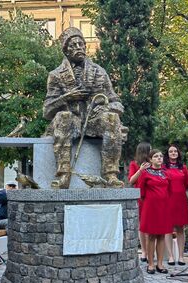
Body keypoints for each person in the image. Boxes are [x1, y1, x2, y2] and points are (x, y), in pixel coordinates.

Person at [43, 27, 127, 189]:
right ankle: (63, 175)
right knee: (63, 117)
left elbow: (117, 103)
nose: (79, 48)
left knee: (112, 118)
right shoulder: (56, 75)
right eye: (73, 45)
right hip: (70, 122)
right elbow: (47, 111)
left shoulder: (99, 72)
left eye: (81, 44)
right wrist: (67, 97)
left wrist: (105, 106)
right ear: (66, 51)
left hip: (93, 121)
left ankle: (110, 174)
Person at [137, 149, 172, 274]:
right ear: (151, 159)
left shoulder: (166, 173)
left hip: (164, 207)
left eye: (161, 156)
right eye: (156, 156)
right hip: (151, 207)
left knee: (162, 235)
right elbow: (140, 192)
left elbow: (170, 190)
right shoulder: (145, 173)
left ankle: (160, 264)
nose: (159, 158)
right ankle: (151, 264)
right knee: (151, 236)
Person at [164, 144, 188, 266]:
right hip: (167, 200)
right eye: (170, 151)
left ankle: (181, 256)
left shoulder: (183, 167)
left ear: (178, 153)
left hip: (180, 200)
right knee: (168, 228)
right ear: (167, 154)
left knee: (180, 228)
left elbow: (187, 184)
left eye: (175, 151)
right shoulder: (163, 167)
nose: (173, 153)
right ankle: (170, 256)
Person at [128, 142, 151, 262]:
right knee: (142, 225)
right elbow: (131, 180)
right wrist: (141, 170)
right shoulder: (134, 164)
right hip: (141, 198)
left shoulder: (153, 164)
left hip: (152, 196)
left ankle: (151, 250)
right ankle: (144, 251)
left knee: (151, 225)